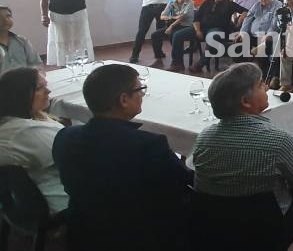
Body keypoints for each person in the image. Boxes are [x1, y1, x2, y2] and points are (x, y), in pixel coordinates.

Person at [193, 63, 293, 250]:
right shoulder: (278, 141)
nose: (267, 87)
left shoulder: (203, 138)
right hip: (268, 229)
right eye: (260, 85)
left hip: (216, 229)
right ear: (245, 101)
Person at [52, 64, 193, 251]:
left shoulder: (65, 137)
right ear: (124, 100)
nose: (142, 94)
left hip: (85, 230)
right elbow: (184, 183)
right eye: (140, 89)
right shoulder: (148, 145)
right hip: (141, 235)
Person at [0, 67, 71, 214]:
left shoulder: (23, 120)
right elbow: (76, 153)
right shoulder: (24, 133)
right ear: (19, 95)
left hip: (44, 195)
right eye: (40, 88)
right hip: (62, 200)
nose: (48, 92)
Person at [40, 0, 94, 66]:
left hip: (78, 13)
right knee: (61, 40)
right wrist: (44, 15)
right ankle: (64, 63)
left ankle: (80, 61)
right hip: (58, 14)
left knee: (79, 38)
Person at [189, 0, 249, 73]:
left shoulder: (229, 4)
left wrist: (240, 19)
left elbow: (246, 11)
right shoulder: (206, 3)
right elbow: (196, 19)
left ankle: (199, 65)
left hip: (219, 30)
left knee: (212, 36)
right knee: (178, 35)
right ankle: (177, 63)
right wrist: (198, 31)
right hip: (201, 29)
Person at [149, 0, 195, 70]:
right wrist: (173, 17)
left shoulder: (190, 3)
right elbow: (162, 16)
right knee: (155, 35)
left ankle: (178, 63)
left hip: (186, 26)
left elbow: (182, 17)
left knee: (175, 35)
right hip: (175, 25)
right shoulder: (171, 3)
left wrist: (171, 26)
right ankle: (159, 58)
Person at [0, 5, 43, 73]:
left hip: (25, 81)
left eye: (8, 16)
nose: (5, 20)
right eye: (0, 17)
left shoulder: (22, 41)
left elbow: (36, 63)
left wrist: (37, 76)